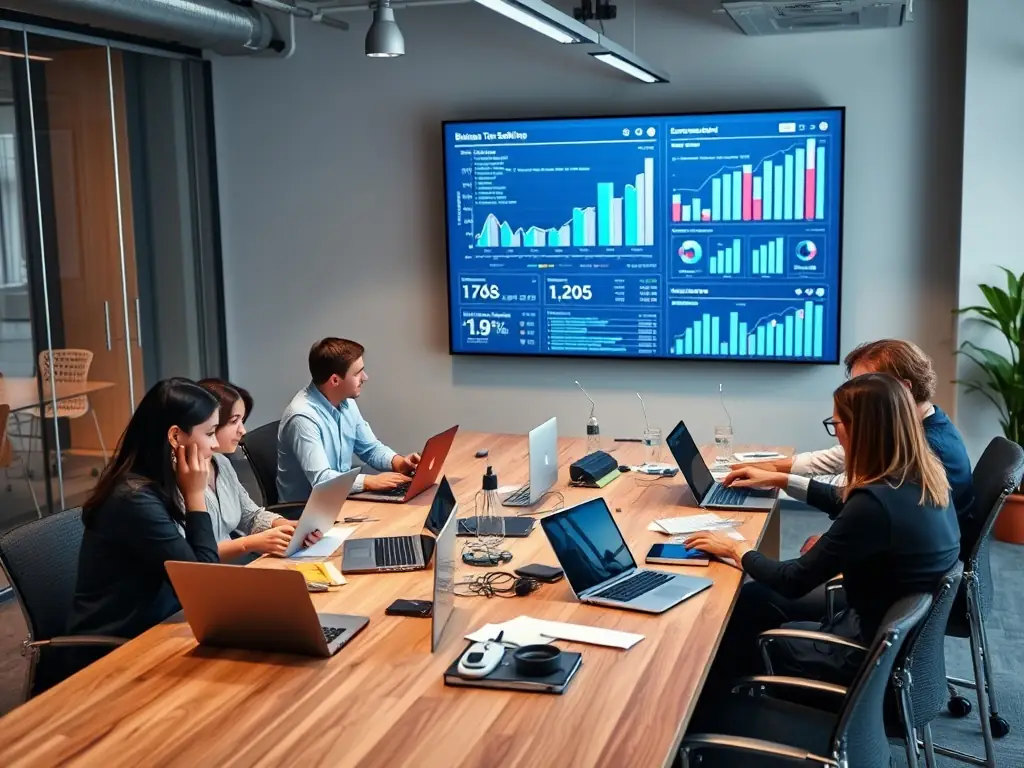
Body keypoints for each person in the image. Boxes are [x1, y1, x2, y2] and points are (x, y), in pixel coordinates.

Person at [685, 373, 960, 703]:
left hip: (857, 663)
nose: (836, 433)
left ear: (862, 431)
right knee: (755, 600)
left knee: (743, 611)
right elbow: (845, 501)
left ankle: (718, 718)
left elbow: (793, 580)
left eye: (837, 424)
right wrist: (783, 480)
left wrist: (736, 547)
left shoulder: (874, 506)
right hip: (893, 653)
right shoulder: (923, 477)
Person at [742, 339, 974, 523]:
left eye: (866, 386)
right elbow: (834, 459)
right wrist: (757, 468)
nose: (855, 397)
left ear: (902, 389)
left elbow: (855, 501)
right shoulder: (916, 425)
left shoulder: (926, 447)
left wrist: (780, 480)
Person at [68, 378, 222, 650]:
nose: (215, 444)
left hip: (159, 627)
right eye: (209, 433)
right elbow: (205, 591)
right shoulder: (133, 500)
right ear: (175, 437)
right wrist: (196, 497)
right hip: (115, 653)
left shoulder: (157, 482)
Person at [277, 337, 420, 503]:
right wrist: (369, 482)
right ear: (335, 380)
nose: (365, 377)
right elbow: (322, 480)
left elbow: (370, 449)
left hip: (341, 500)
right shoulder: (302, 417)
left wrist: (399, 462)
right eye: (358, 373)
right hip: (305, 512)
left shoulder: (346, 402)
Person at [196, 379, 321, 560]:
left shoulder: (221, 463)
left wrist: (289, 527)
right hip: (216, 574)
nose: (243, 431)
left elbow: (251, 516)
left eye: (242, 420)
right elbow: (194, 556)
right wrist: (252, 543)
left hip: (238, 565)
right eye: (234, 421)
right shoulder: (180, 481)